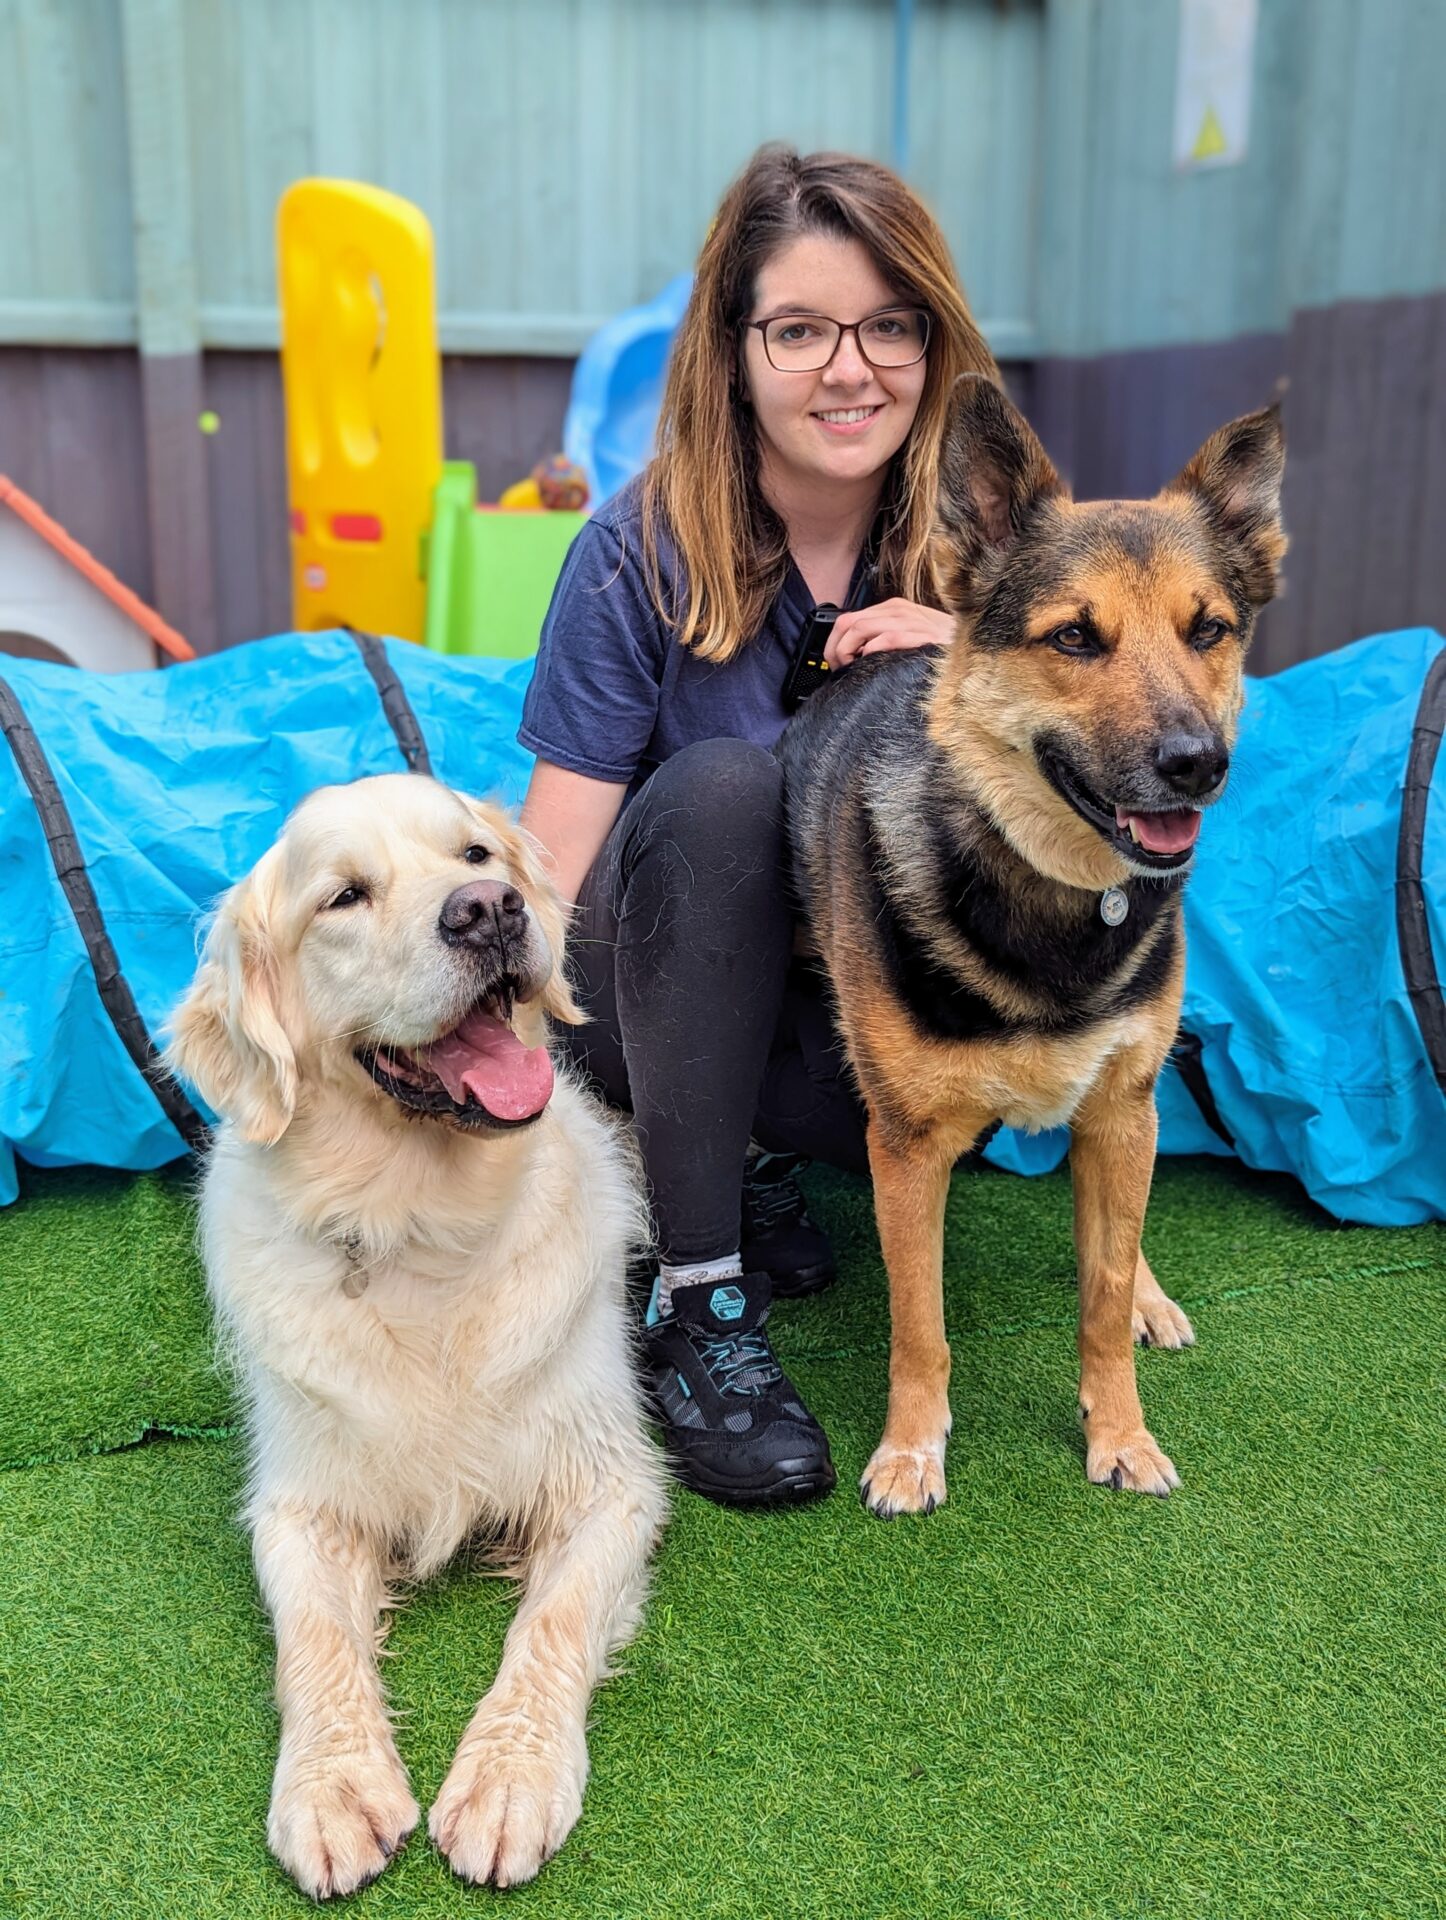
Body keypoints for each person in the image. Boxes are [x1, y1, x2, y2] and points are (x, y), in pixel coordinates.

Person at [518, 144, 998, 1510]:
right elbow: (552, 859)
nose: (849, 369)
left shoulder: (994, 549)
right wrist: (467, 1057)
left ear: (931, 341)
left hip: (854, 1032)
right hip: (653, 996)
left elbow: (1129, 745)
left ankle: (749, 1161)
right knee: (734, 789)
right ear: (731, 350)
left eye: (887, 326)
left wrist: (974, 654)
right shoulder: (637, 548)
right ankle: (698, 1298)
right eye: (798, 330)